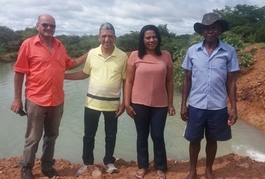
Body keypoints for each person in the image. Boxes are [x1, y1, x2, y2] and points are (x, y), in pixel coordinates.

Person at [10, 14, 88, 179]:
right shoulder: (28, 45)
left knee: (52, 135)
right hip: (36, 99)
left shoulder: (60, 46)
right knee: (33, 137)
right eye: (45, 25)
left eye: (52, 26)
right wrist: (17, 98)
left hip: (57, 99)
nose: (49, 28)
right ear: (37, 25)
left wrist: (90, 53)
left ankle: (47, 166)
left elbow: (70, 64)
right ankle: (26, 167)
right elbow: (19, 72)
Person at [180, 13, 240, 179]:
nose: (210, 31)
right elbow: (187, 79)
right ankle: (192, 171)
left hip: (218, 105)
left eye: (214, 27)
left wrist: (233, 108)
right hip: (196, 104)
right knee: (194, 139)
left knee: (212, 139)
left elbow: (231, 81)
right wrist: (183, 104)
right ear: (202, 31)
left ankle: (208, 170)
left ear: (219, 29)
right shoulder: (192, 51)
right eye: (207, 28)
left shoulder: (229, 51)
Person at [64, 22, 128, 175]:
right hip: (91, 103)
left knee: (111, 135)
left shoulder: (123, 56)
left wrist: (125, 102)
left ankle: (109, 162)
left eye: (110, 36)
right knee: (88, 135)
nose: (107, 39)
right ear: (99, 37)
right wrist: (64, 76)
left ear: (115, 38)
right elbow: (84, 73)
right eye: (104, 36)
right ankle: (87, 163)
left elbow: (125, 80)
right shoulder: (92, 53)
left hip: (113, 104)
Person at [124, 25, 175, 179]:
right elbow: (128, 81)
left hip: (160, 104)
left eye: (154, 37)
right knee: (142, 136)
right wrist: (126, 103)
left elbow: (170, 81)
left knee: (158, 135)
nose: (151, 40)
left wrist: (171, 103)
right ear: (142, 39)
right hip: (139, 103)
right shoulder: (134, 56)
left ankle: (160, 167)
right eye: (148, 37)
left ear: (158, 38)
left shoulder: (166, 55)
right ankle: (142, 166)